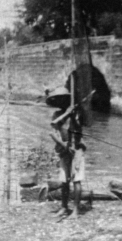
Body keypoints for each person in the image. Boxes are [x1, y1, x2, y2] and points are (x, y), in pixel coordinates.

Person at [46, 87, 84, 219]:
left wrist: (74, 115)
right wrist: (67, 113)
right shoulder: (57, 115)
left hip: (76, 150)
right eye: (59, 100)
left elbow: (79, 128)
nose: (61, 102)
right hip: (64, 151)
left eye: (63, 99)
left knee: (76, 180)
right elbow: (54, 127)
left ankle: (76, 210)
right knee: (64, 180)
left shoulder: (76, 114)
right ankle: (64, 207)